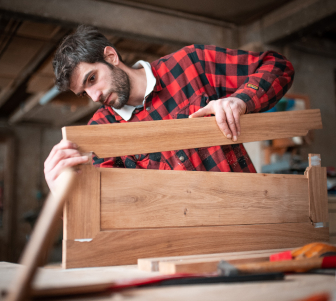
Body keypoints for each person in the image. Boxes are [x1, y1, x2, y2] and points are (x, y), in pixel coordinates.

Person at [44, 25, 294, 193]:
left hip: (252, 217)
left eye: (92, 79)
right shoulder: (100, 133)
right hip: (177, 249)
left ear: (110, 56)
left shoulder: (191, 63)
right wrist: (66, 192)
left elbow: (278, 66)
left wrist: (241, 100)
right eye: (84, 92)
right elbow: (109, 204)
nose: (94, 95)